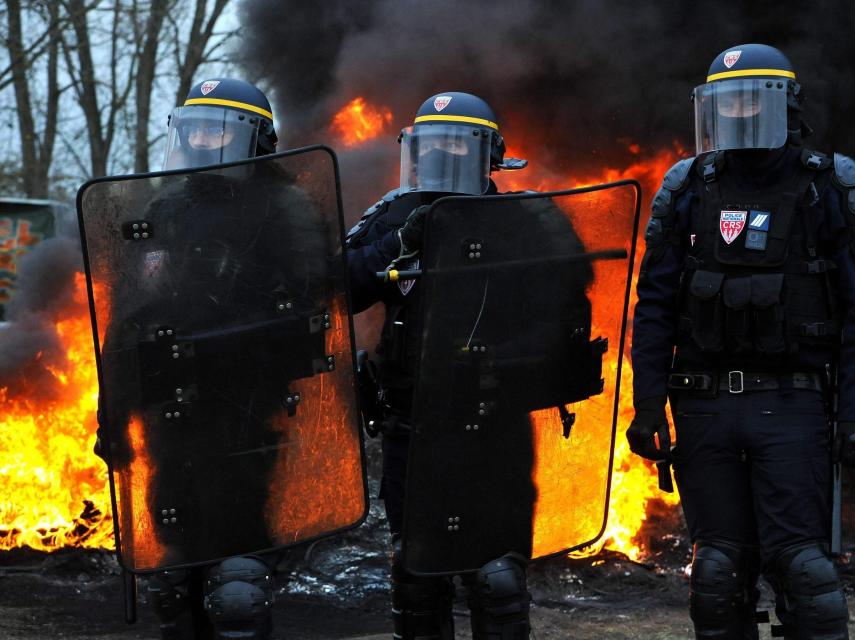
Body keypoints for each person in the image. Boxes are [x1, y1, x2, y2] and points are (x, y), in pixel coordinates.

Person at [628, 44, 855, 640]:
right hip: (703, 407)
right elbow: (655, 306)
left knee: (806, 575)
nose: (739, 117)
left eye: (752, 103)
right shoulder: (690, 184)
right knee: (717, 574)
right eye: (727, 104)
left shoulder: (827, 185)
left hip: (794, 406)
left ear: (786, 106)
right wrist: (648, 406)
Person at [95, 78, 327, 640]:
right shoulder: (165, 207)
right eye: (194, 128)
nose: (203, 141)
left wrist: (241, 292)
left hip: (246, 410)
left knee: (237, 583)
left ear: (258, 140)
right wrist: (113, 413)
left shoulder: (285, 207)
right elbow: (128, 316)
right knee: (173, 575)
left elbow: (313, 304)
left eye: (218, 129)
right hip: (169, 411)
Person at [347, 92, 552, 640]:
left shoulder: (525, 221)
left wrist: (500, 363)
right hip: (411, 428)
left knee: (498, 579)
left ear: (490, 156)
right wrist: (400, 241)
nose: (443, 157)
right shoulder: (393, 213)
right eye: (432, 145)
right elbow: (339, 287)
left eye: (457, 146)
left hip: (496, 431)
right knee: (415, 574)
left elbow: (566, 316)